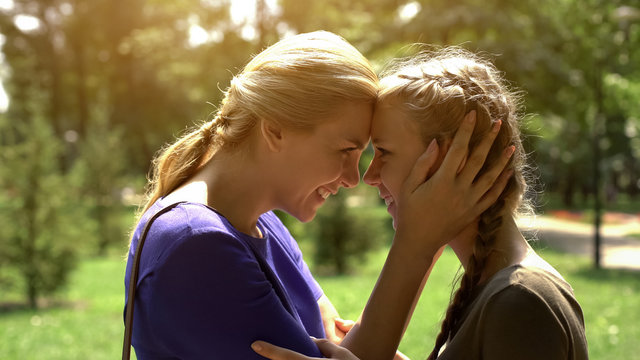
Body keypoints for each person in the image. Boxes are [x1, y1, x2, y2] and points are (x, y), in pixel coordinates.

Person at [124, 30, 510, 359]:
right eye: (345, 151)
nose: (353, 178)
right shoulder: (198, 243)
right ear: (276, 130)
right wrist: (419, 243)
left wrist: (424, 240)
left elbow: (347, 349)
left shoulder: (264, 225)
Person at [251, 49, 589, 360]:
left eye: (384, 152)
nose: (369, 176)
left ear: (450, 163)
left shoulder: (521, 301)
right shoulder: (501, 291)